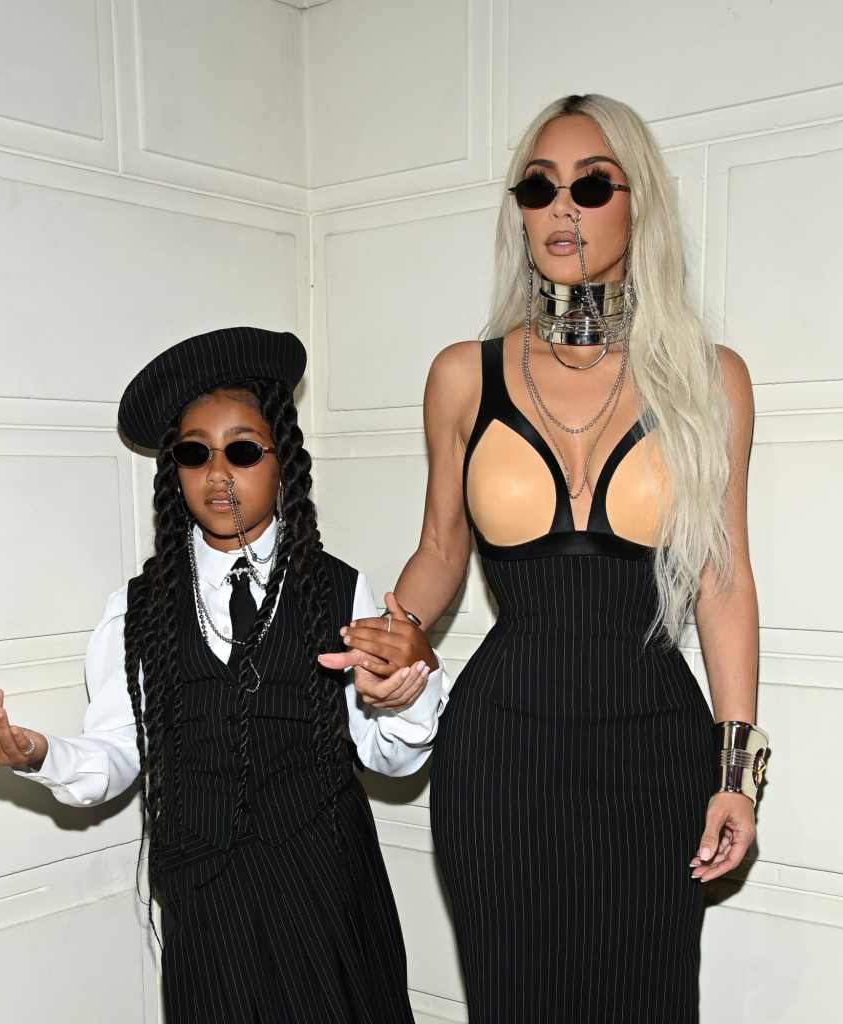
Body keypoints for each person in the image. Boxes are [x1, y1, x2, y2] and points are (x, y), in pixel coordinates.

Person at [321, 95, 771, 1022]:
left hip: (654, 749)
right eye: (539, 188)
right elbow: (440, 547)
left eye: (591, 186)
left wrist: (736, 775)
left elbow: (722, 580)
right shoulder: (464, 375)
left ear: (639, 203)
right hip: (501, 754)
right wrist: (395, 640)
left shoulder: (710, 379)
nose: (562, 208)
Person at [0, 327, 453, 1024]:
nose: (218, 474)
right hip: (209, 913)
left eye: (242, 450)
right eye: (194, 453)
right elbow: (117, 752)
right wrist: (41, 755)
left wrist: (403, 697)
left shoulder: (338, 590)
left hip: (328, 899)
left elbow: (389, 759)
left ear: (282, 460)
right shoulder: (138, 609)